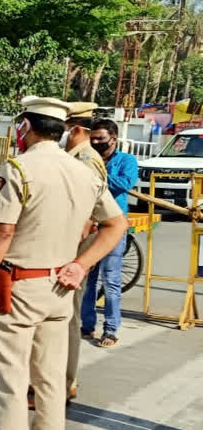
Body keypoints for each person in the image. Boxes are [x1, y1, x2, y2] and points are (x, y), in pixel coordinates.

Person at [0, 97, 126, 430]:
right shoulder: (84, 171)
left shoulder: (19, 167)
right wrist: (81, 264)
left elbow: (2, 232)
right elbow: (115, 223)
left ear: (25, 127)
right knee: (51, 384)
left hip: (18, 286)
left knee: (10, 381)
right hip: (60, 286)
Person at [27, 102, 108, 409]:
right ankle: (61, 383)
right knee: (63, 318)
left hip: (71, 251)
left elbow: (88, 216)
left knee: (64, 320)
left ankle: (60, 385)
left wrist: (70, 255)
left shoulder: (84, 159)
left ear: (73, 128)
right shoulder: (80, 157)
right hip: (70, 250)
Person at [81, 118, 138, 348]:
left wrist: (98, 174)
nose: (95, 142)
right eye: (92, 138)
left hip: (113, 227)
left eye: (100, 139)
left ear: (113, 139)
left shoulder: (127, 160)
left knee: (111, 279)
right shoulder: (86, 158)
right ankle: (86, 324)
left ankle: (111, 330)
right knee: (87, 279)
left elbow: (124, 183)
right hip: (88, 224)